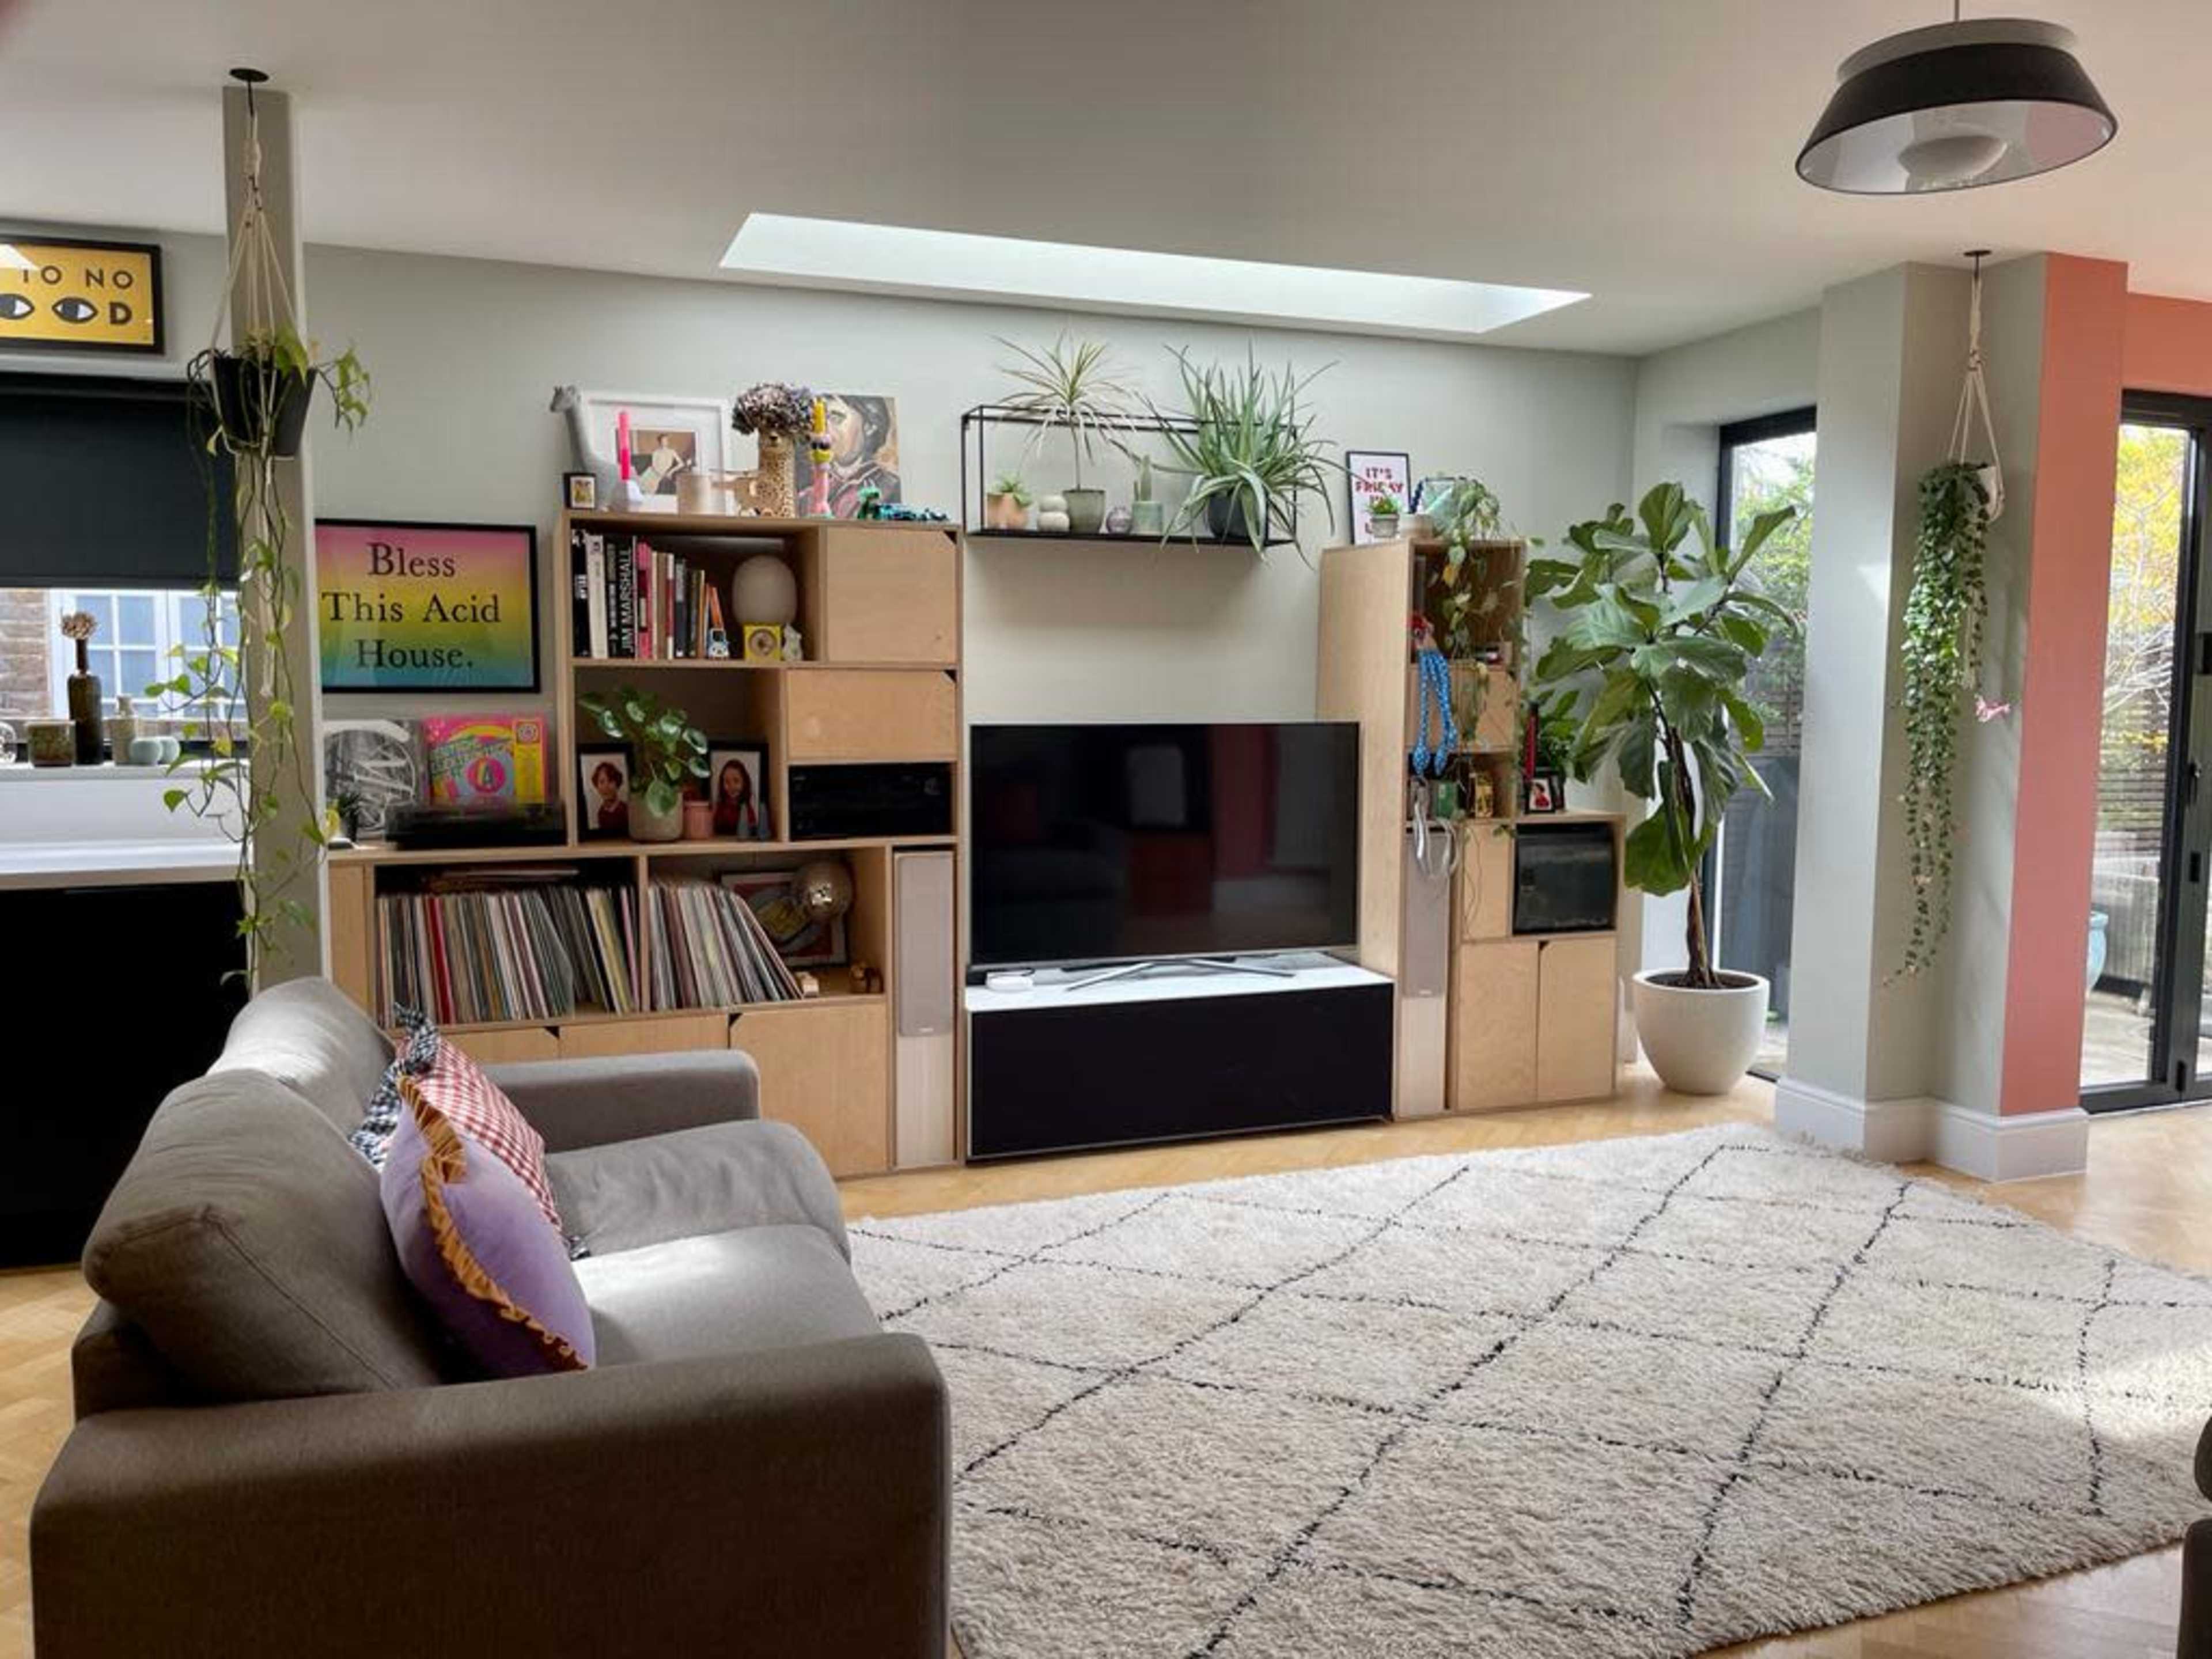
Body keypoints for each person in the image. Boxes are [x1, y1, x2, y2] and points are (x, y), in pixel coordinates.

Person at [713, 756, 760, 838]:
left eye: (736, 781)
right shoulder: (720, 807)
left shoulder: (747, 809)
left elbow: (752, 829)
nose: (732, 786)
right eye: (727, 782)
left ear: (744, 783)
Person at [590, 759, 628, 835]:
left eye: (610, 781)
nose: (606, 787)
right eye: (602, 782)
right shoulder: (601, 813)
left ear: (617, 784)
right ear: (597, 787)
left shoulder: (626, 810)